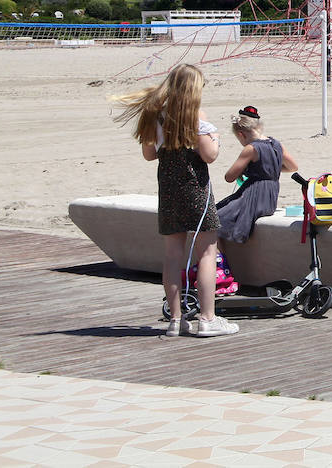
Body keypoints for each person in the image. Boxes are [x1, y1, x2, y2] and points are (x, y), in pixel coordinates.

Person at [111, 64, 238, 338]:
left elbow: (149, 154)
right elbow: (209, 156)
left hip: (168, 189)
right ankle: (207, 317)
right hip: (195, 189)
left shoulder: (155, 116)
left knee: (171, 255)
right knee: (206, 251)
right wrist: (214, 138)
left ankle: (176, 319)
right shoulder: (195, 117)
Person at [215, 105, 300, 245]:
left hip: (253, 195)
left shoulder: (251, 148)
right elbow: (292, 167)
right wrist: (268, 170)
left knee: (217, 219)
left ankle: (219, 261)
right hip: (270, 197)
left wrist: (244, 170)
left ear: (241, 134)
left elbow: (229, 177)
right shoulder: (276, 144)